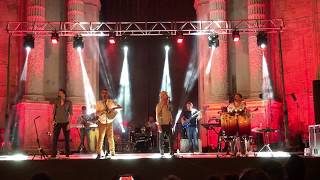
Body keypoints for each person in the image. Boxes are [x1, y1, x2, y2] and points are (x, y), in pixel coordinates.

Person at [95, 89, 122, 159]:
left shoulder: (111, 102)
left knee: (110, 137)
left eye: (106, 93)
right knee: (101, 137)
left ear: (108, 94)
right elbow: (97, 113)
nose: (104, 94)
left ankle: (112, 152)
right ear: (101, 94)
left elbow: (120, 107)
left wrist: (113, 109)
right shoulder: (98, 103)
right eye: (103, 93)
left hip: (109, 122)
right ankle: (99, 153)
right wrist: (103, 111)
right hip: (102, 122)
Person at [51, 89, 72, 158]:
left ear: (64, 94)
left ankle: (67, 153)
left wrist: (69, 124)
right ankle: (53, 154)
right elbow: (54, 112)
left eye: (60, 93)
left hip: (66, 122)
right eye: (59, 93)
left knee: (67, 139)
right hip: (57, 122)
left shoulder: (69, 102)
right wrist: (53, 120)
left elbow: (71, 114)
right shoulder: (56, 101)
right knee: (55, 138)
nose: (59, 94)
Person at [156, 91, 173, 156]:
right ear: (162, 96)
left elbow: (170, 113)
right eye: (166, 95)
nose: (167, 96)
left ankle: (171, 152)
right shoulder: (159, 105)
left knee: (171, 138)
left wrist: (171, 120)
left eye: (167, 95)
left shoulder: (168, 104)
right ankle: (162, 152)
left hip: (168, 123)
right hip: (162, 124)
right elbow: (157, 115)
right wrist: (159, 125)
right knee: (161, 139)